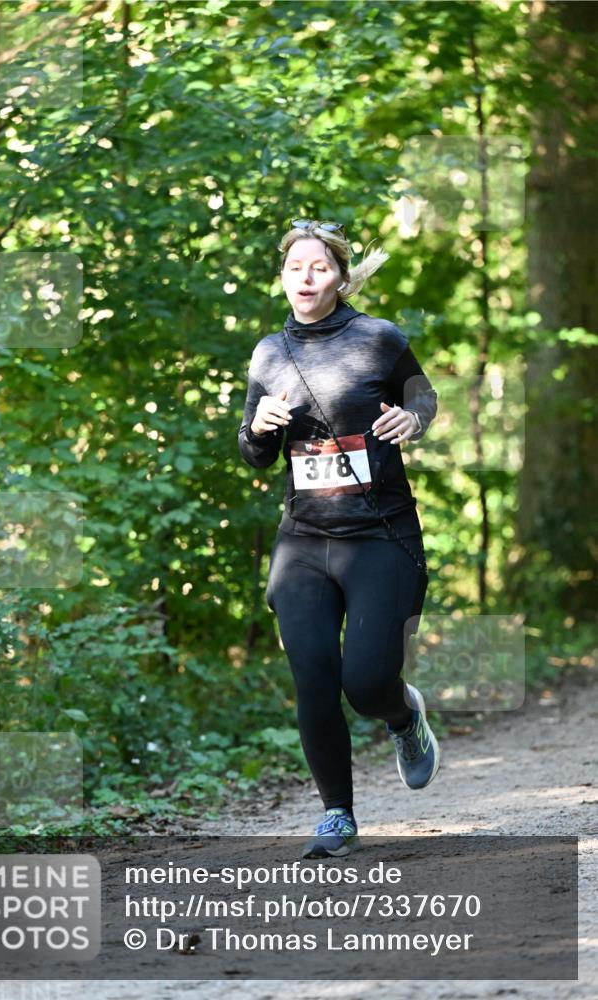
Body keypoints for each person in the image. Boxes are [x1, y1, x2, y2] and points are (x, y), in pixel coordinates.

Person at [237, 219, 440, 859]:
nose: (305, 276)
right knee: (315, 677)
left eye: (318, 267)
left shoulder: (380, 339)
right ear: (282, 278)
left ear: (340, 277)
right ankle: (337, 815)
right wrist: (261, 427)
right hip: (304, 542)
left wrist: (413, 418)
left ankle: (403, 716)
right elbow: (255, 454)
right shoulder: (269, 353)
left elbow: (423, 399)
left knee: (366, 681)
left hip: (381, 534)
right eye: (295, 266)